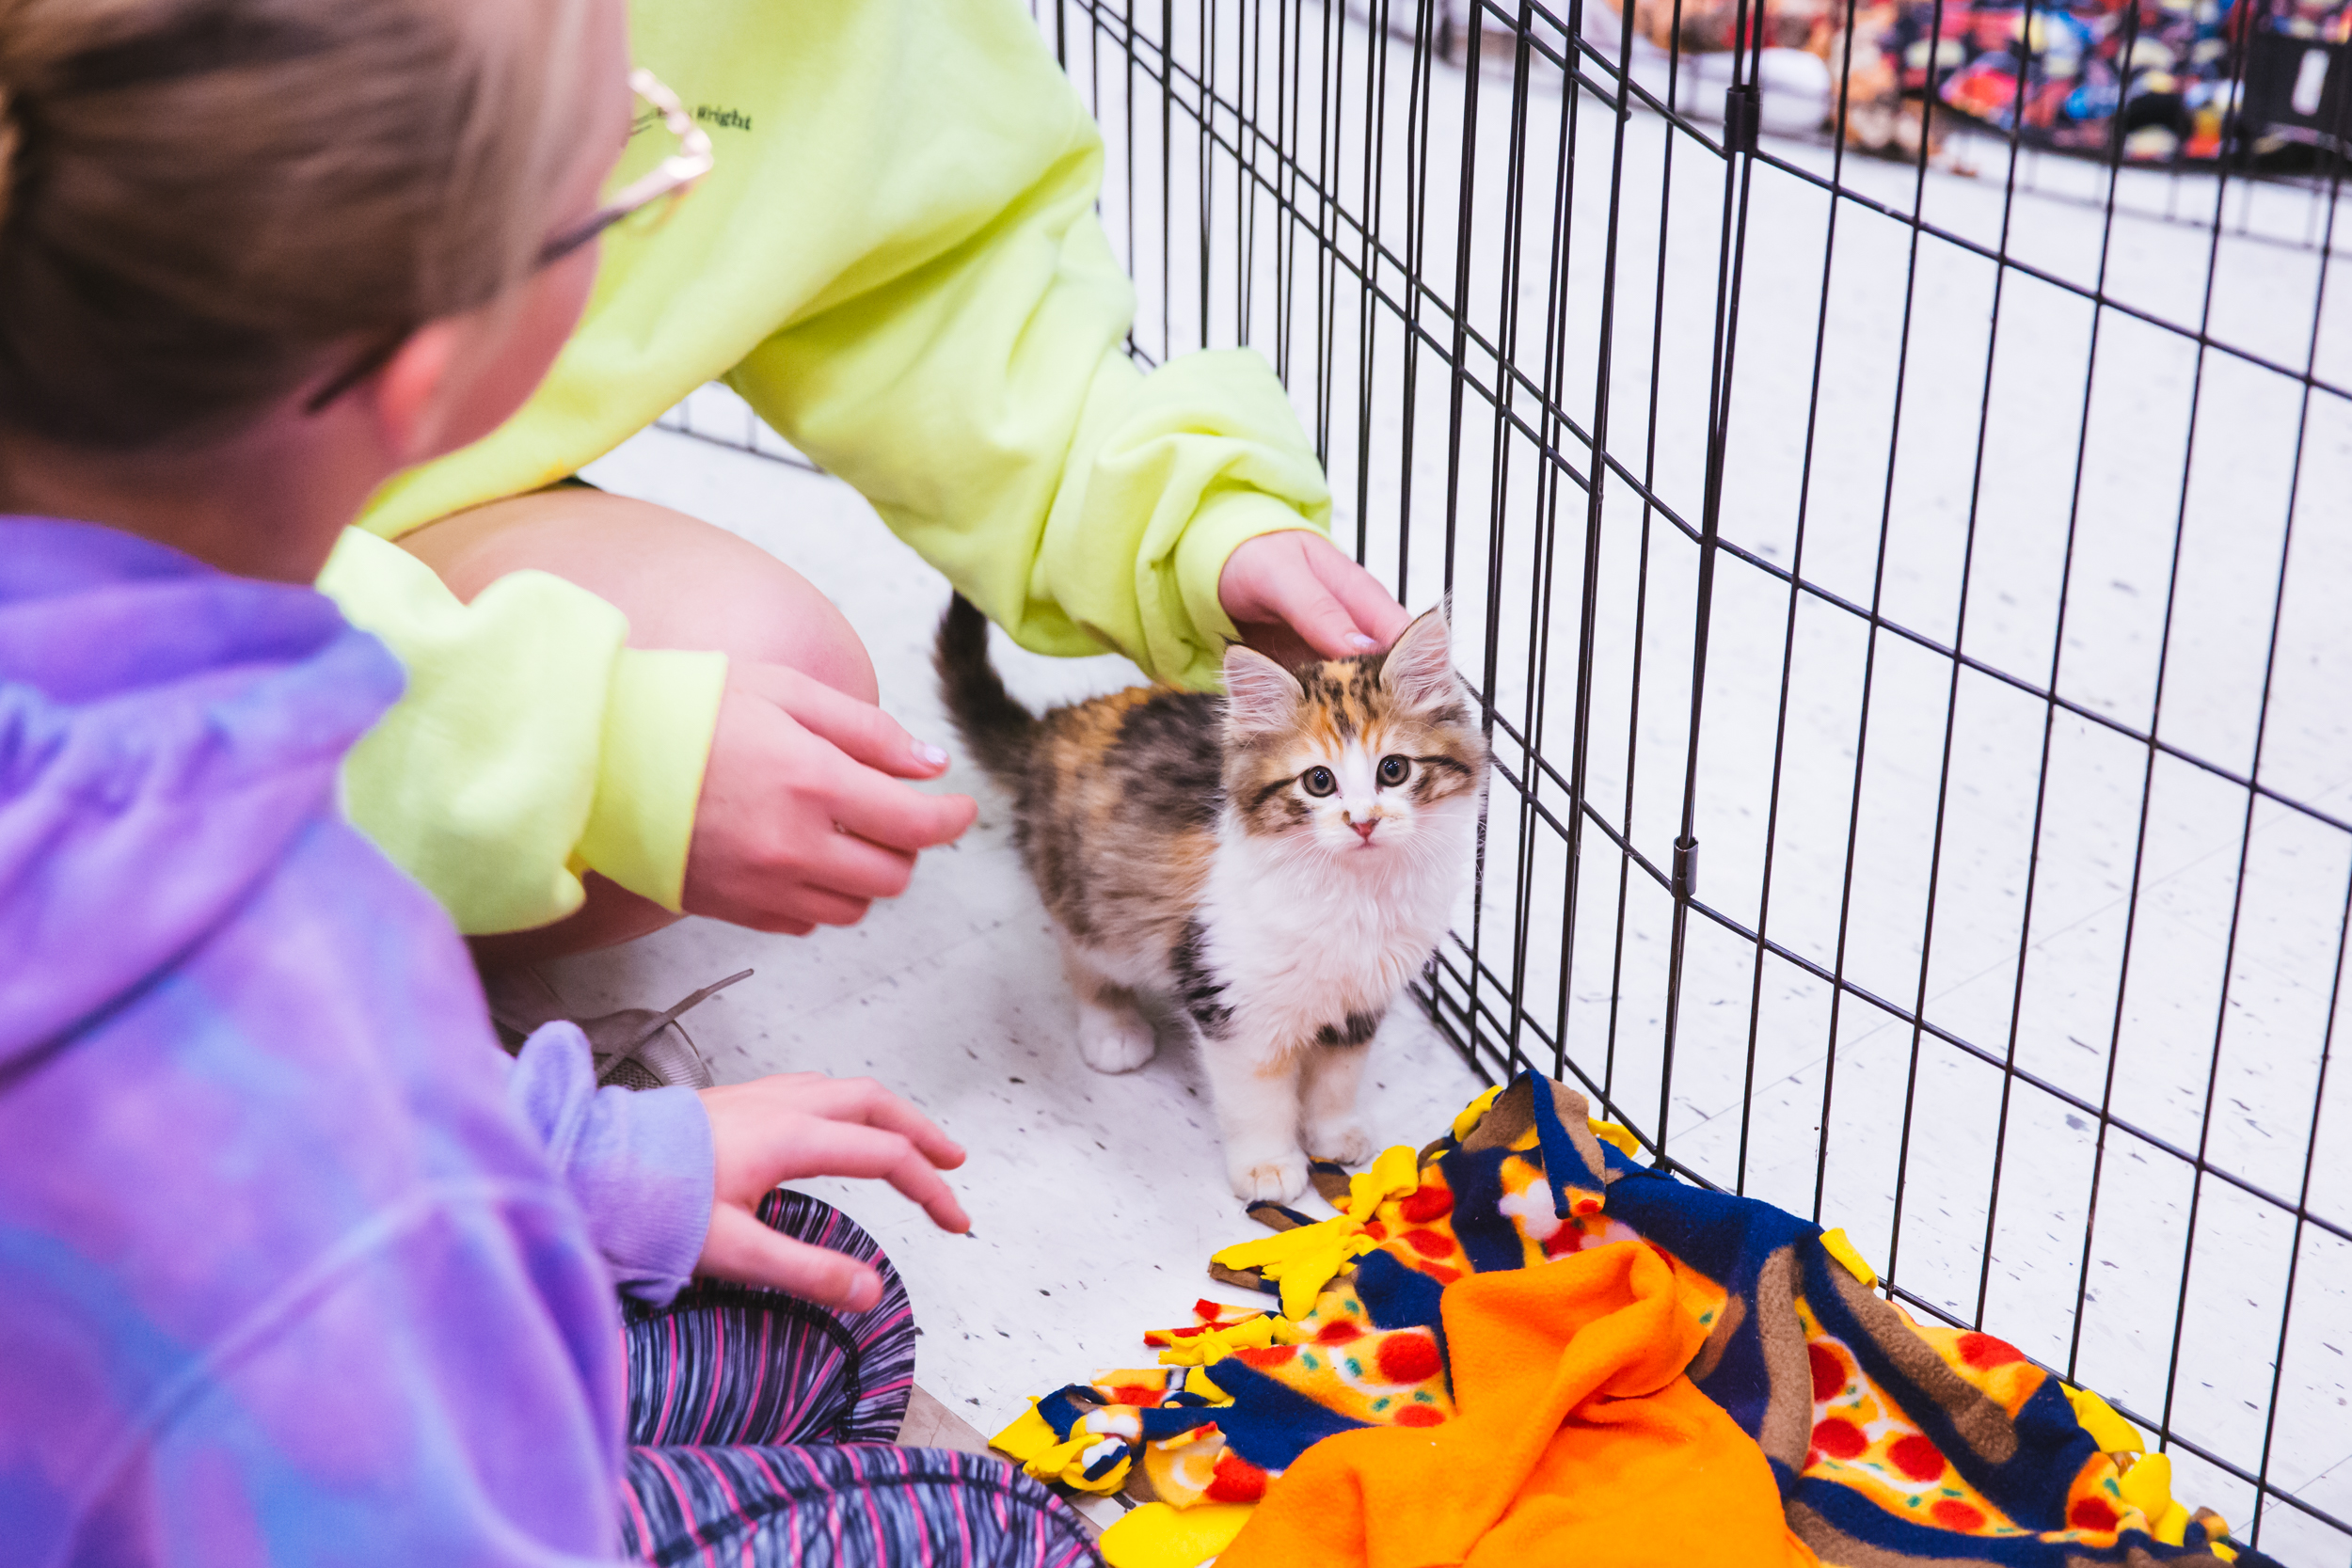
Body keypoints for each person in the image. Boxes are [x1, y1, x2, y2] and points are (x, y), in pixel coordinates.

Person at [0, 0, 1098, 1561]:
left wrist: (580, 1157)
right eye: (617, 180)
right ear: (429, 368)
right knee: (1008, 1528)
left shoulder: (140, 763)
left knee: (823, 1318)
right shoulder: (292, 967)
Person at [320, 0, 1414, 967]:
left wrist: (1182, 525)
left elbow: (930, 266)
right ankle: (303, 1004)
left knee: (771, 682)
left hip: (399, 489)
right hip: (223, 513)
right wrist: (583, 752)